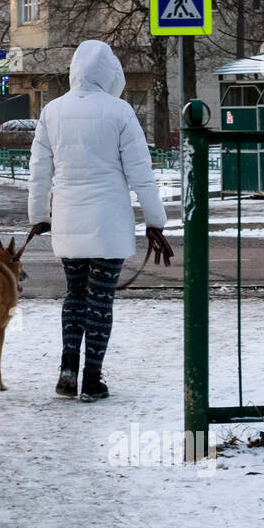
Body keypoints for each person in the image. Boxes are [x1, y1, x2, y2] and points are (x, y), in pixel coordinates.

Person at [27, 40, 168, 401]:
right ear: (110, 74)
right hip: (108, 226)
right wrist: (155, 219)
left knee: (74, 296)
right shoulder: (120, 113)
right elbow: (141, 174)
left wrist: (38, 216)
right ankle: (92, 380)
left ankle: (66, 372)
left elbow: (39, 171)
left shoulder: (52, 112)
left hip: (68, 224)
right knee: (100, 301)